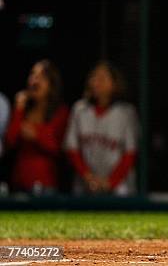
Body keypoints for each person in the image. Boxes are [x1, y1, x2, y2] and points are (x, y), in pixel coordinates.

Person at [64, 61, 139, 196]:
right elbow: (71, 149)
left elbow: (130, 153)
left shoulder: (126, 112)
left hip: (119, 186)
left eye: (103, 78)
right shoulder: (79, 109)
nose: (97, 82)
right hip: (85, 184)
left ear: (114, 84)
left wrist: (110, 182)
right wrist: (88, 177)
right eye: (94, 77)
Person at [4, 60, 69, 193]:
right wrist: (18, 109)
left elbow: (60, 148)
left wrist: (36, 136)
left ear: (51, 85)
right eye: (33, 74)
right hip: (19, 183)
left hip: (46, 185)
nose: (35, 79)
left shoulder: (61, 112)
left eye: (42, 76)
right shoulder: (23, 110)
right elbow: (10, 141)